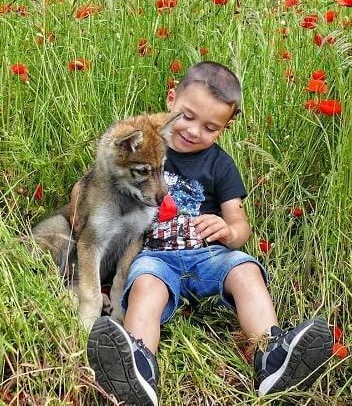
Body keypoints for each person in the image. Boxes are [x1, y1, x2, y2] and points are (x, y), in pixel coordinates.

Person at [87, 61, 333, 405]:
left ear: (225, 127)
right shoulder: (146, 151)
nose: (193, 131)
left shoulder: (220, 164)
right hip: (157, 257)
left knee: (247, 271)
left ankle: (272, 357)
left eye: (210, 127)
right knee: (144, 287)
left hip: (208, 254)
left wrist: (228, 230)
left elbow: (241, 225)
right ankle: (138, 367)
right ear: (171, 99)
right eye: (187, 116)